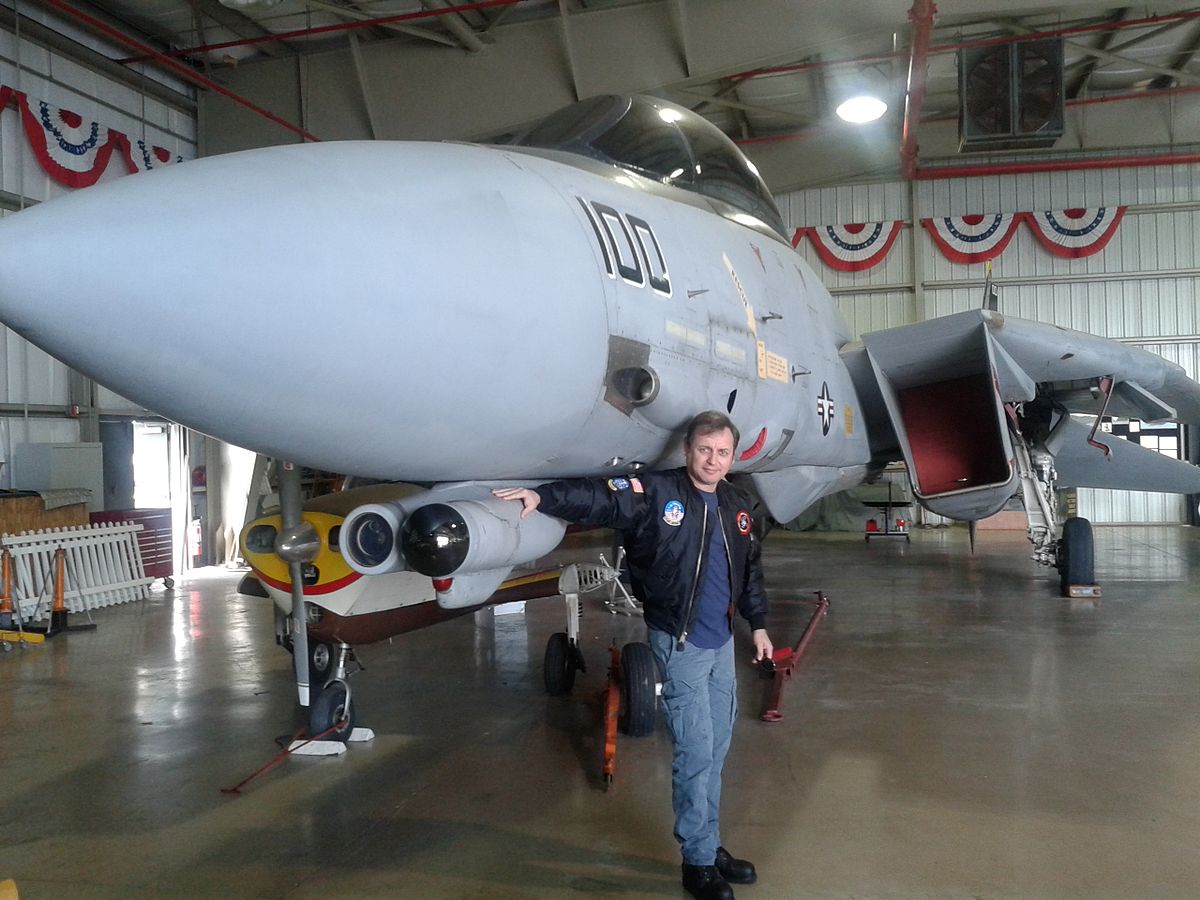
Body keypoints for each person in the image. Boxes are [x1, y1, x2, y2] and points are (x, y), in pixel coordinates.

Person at [494, 410, 772, 900]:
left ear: (732, 457)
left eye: (722, 452)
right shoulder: (658, 494)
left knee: (718, 748)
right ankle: (697, 862)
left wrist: (761, 625)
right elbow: (601, 499)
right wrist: (543, 497)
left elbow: (748, 572)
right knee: (695, 752)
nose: (712, 460)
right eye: (704, 450)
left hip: (722, 644)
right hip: (681, 643)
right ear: (688, 451)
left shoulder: (736, 504)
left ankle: (709, 842)